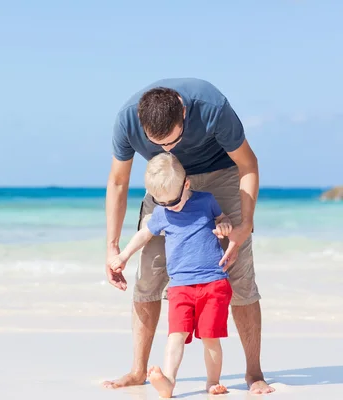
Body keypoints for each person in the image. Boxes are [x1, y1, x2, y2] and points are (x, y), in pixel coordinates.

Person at [102, 78, 275, 395]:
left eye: (172, 140)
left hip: (221, 174)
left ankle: (254, 372)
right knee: (149, 276)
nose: (168, 149)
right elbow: (117, 182)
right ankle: (139, 370)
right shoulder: (127, 120)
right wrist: (113, 247)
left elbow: (248, 165)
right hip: (165, 183)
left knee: (237, 274)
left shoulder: (213, 108)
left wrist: (244, 225)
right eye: (159, 144)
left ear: (183, 113)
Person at [108, 152, 233, 397]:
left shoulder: (206, 201)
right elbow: (144, 235)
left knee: (210, 338)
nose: (169, 207)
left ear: (186, 185)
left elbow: (222, 218)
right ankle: (168, 382)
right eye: (161, 202)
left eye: (172, 201)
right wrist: (123, 256)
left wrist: (225, 225)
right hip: (180, 288)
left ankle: (212, 382)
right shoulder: (162, 213)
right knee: (175, 336)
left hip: (213, 282)